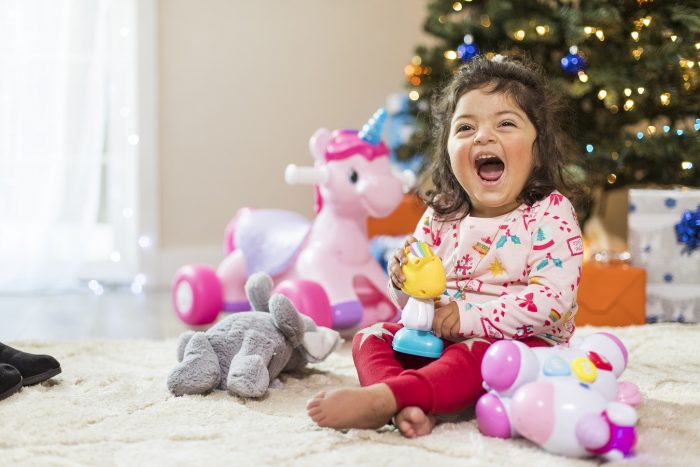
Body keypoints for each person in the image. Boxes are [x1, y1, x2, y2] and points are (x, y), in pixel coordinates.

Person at [306, 54, 586, 437]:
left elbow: (553, 301)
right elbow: (416, 298)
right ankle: (410, 404)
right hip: (437, 337)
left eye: (505, 124)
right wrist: (401, 281)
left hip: (519, 347)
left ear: (538, 150)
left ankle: (387, 399)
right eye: (466, 127)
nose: (483, 136)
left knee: (473, 355)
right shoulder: (442, 214)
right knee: (370, 337)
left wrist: (468, 319)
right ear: (449, 151)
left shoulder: (550, 213)